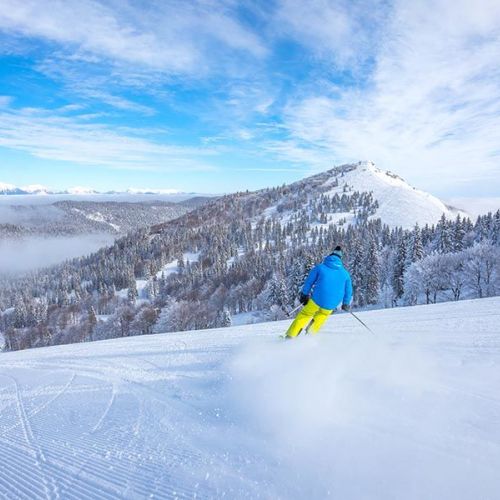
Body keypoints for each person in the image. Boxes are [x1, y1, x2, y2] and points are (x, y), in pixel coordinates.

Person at [285, 246, 353, 338]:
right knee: (321, 317)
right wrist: (346, 303)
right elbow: (348, 291)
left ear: (330, 256)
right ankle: (308, 338)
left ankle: (291, 336)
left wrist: (304, 295)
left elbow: (309, 282)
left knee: (305, 314)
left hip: (317, 299)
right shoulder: (345, 274)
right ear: (340, 259)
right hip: (331, 304)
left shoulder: (320, 268)